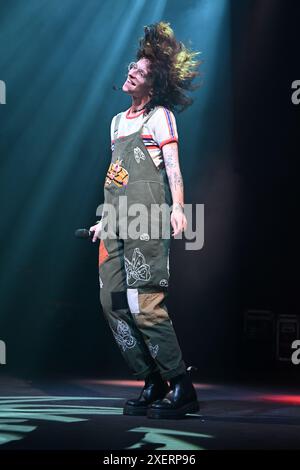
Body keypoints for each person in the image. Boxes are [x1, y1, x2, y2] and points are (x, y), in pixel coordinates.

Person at [90, 22, 201, 419]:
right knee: (112, 302)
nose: (132, 71)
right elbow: (117, 173)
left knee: (145, 303)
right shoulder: (118, 122)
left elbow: (172, 168)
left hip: (147, 219)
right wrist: (105, 219)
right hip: (116, 220)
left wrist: (177, 208)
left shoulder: (161, 117)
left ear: (152, 83)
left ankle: (181, 386)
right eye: (132, 67)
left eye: (140, 70)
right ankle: (152, 379)